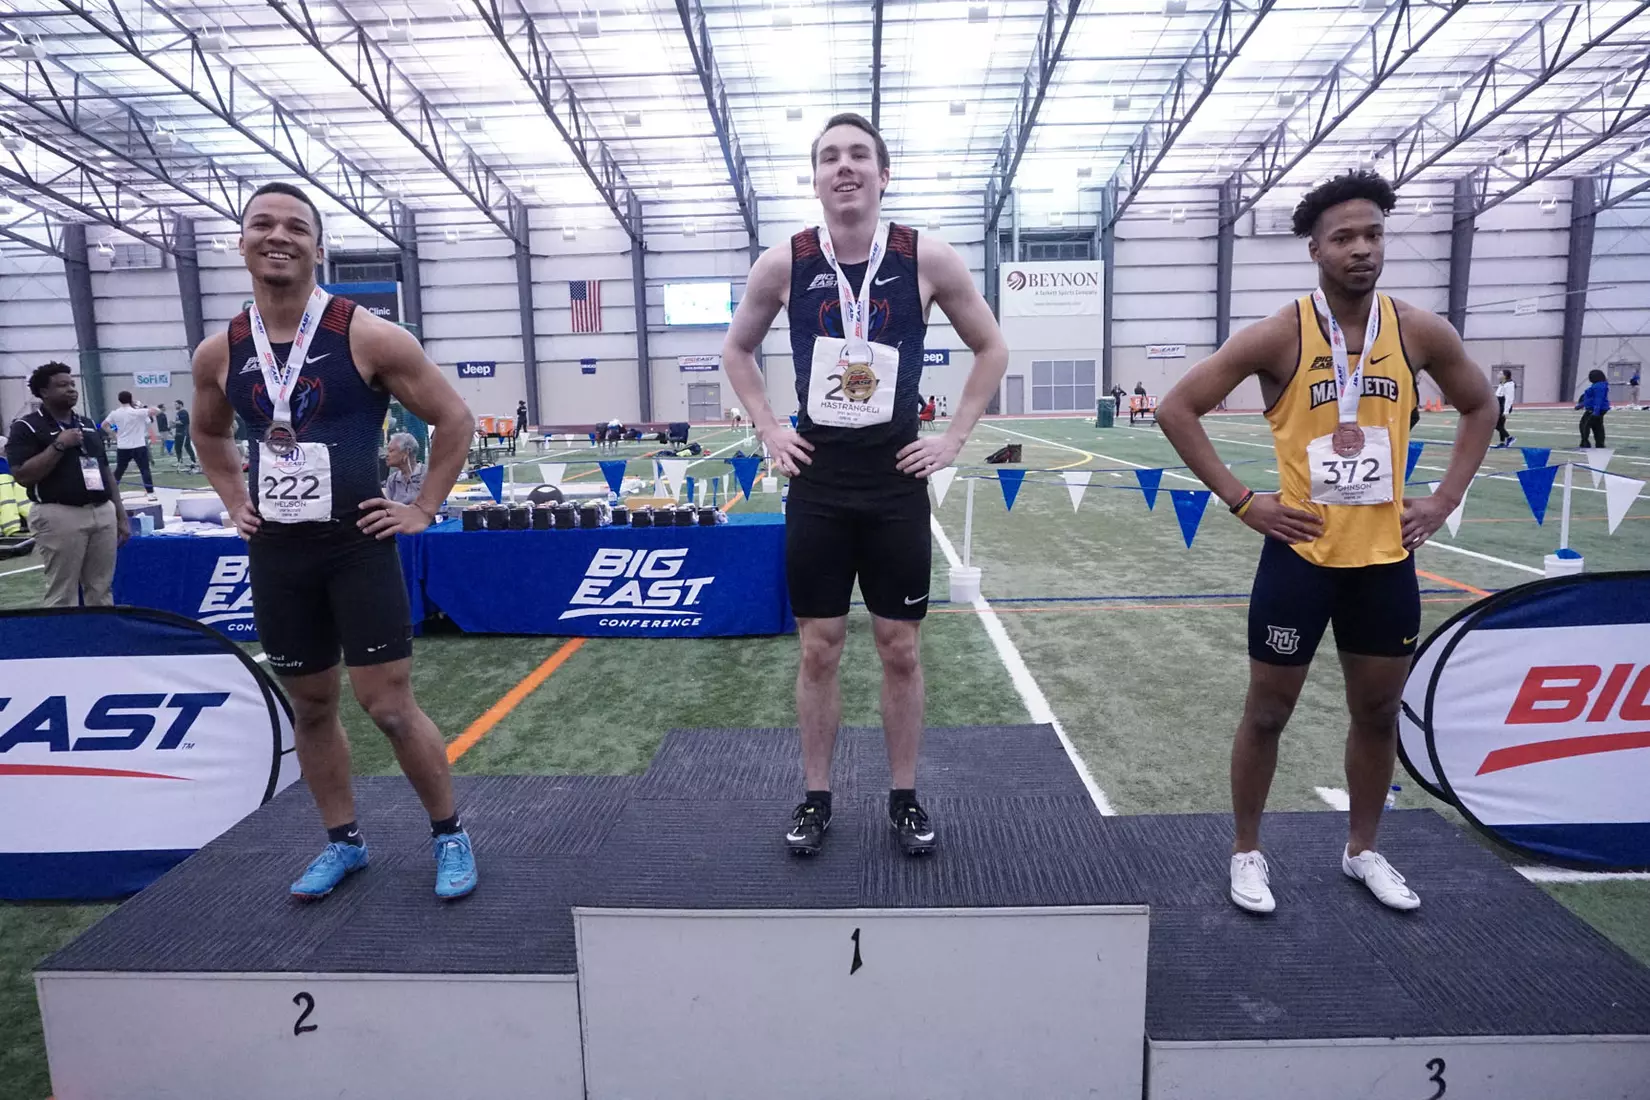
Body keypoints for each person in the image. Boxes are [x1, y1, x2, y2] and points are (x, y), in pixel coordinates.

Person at [1156, 170, 1494, 914]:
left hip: (1385, 561)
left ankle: (1363, 850)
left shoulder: (1419, 331)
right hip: (1301, 558)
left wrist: (1444, 498)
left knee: (1377, 714)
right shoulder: (1280, 334)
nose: (1362, 249)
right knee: (1267, 713)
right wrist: (1244, 501)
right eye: (1344, 238)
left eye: (1373, 234)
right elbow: (1177, 408)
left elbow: (1480, 405)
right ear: (1315, 249)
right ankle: (1247, 851)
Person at [721, 111, 1009, 858]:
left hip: (894, 483)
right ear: (815, 179)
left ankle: (904, 797)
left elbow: (991, 347)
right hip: (818, 483)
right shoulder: (784, 263)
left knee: (899, 647)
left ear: (884, 175)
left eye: (857, 155)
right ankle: (816, 797)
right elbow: (737, 350)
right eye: (829, 157)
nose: (843, 167)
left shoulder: (927, 257)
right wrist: (768, 428)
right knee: (818, 648)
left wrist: (953, 439)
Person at [191, 182, 480, 901]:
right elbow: (208, 432)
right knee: (312, 706)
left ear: (317, 248)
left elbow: (454, 419)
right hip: (279, 554)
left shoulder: (368, 335)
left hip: (356, 545)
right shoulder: (221, 351)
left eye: (296, 227)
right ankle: (343, 842)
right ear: (241, 243)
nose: (278, 236)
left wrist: (423, 507)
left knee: (388, 705)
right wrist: (234, 500)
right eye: (262, 224)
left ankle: (449, 834)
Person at [5, 362, 129, 605]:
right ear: (44, 392)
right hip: (59, 514)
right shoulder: (26, 426)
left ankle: (100, 630)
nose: (71, 389)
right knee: (63, 592)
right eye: (62, 385)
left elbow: (105, 470)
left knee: (101, 588)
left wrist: (120, 515)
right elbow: (22, 475)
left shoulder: (87, 423)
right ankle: (63, 631)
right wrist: (59, 445)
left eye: (72, 384)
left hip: (101, 511)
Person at [103, 390, 156, 495]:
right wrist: (142, 407)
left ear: (119, 400)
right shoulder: (138, 412)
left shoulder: (115, 413)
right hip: (138, 445)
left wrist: (114, 434)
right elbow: (156, 411)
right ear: (131, 399)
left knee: (119, 470)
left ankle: (111, 492)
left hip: (123, 446)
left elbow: (104, 425)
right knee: (144, 469)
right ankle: (150, 493)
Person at [383, 431, 426, 506]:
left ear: (407, 451)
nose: (386, 455)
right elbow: (388, 507)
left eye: (391, 451)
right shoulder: (392, 480)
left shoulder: (427, 475)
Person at [1576, 369, 1611, 447]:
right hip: (1596, 409)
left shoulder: (1598, 386)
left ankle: (1585, 442)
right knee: (1597, 426)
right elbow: (1590, 398)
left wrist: (1596, 411)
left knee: (1584, 425)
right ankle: (1599, 443)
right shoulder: (1599, 385)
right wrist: (1581, 405)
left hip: (1594, 409)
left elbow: (1598, 399)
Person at [1492, 370, 1516, 449]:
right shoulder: (1502, 383)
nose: (1498, 375)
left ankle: (1510, 438)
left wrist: (1506, 411)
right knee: (1501, 425)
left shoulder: (1509, 385)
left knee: (1496, 425)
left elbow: (1509, 399)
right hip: (1499, 406)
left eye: (1500, 374)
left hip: (1504, 406)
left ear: (1505, 376)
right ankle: (1502, 443)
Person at [172, 399, 197, 469]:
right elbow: (178, 423)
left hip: (184, 433)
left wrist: (174, 422)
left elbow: (183, 422)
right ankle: (179, 461)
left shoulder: (183, 412)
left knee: (187, 446)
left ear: (180, 405)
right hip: (178, 432)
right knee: (177, 447)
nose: (175, 406)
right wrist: (173, 426)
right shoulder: (178, 413)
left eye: (176, 404)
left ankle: (193, 461)